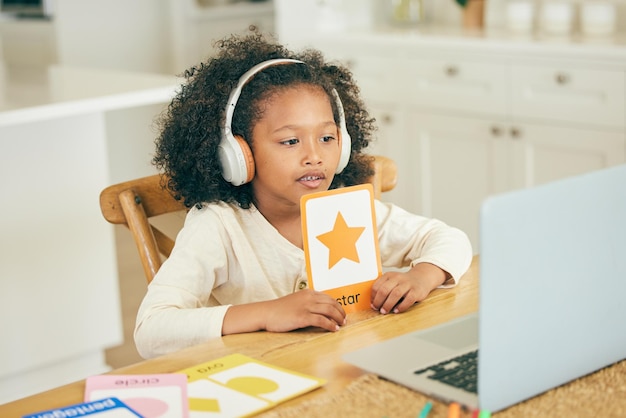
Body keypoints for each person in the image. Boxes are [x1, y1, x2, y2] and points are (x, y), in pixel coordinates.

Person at [134, 31, 473, 359]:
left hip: (344, 370)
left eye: (327, 138)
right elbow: (151, 330)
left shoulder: (347, 211)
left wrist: (421, 276)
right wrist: (267, 313)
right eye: (290, 141)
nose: (314, 156)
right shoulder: (218, 226)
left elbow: (449, 239)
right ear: (239, 155)